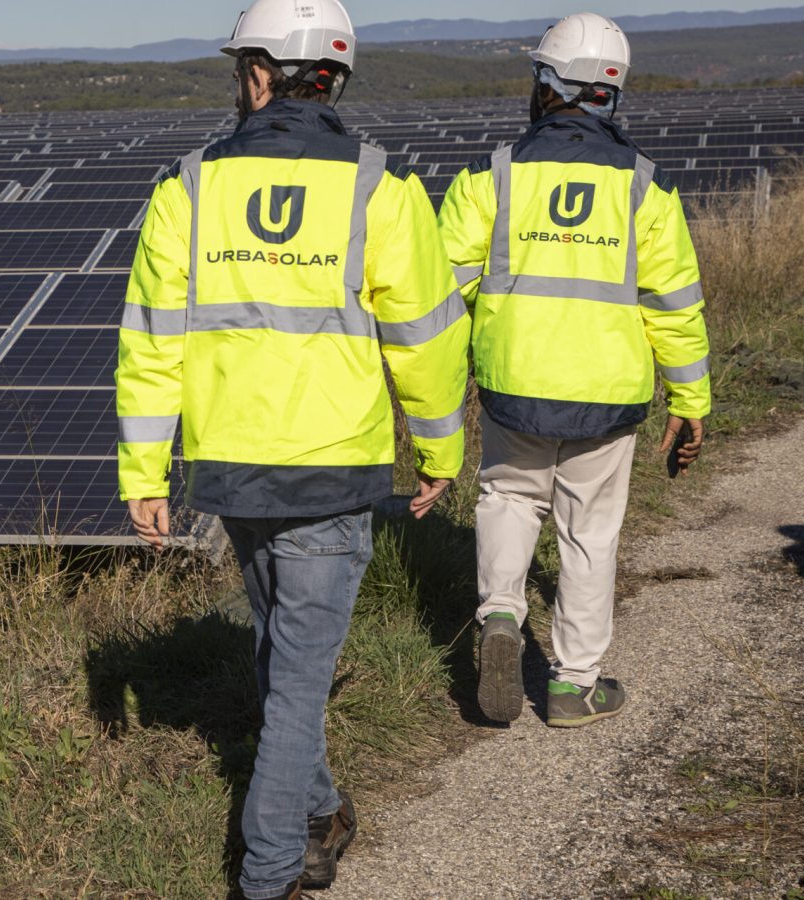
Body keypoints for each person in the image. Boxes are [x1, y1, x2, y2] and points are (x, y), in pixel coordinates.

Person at [115, 1, 471, 895]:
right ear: (334, 78)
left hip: (233, 475)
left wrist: (145, 471)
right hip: (333, 474)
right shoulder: (381, 190)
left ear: (263, 74)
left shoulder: (187, 188)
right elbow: (425, 341)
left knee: (285, 661)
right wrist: (438, 449)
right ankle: (270, 875)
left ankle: (319, 816)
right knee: (296, 685)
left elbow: (151, 343)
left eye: (243, 68)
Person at [437, 13, 711, 728]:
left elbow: (442, 290)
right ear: (611, 95)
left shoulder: (490, 179)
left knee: (506, 499)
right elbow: (674, 305)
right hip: (607, 395)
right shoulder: (646, 190)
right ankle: (573, 685)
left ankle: (500, 613)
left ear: (544, 87)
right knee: (589, 533)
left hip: (513, 385)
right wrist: (691, 397)